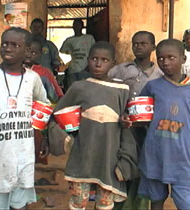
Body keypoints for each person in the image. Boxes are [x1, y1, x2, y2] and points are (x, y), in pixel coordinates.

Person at [52, 41, 138, 210]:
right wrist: (69, 138)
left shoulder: (122, 89)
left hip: (109, 156)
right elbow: (59, 114)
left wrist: (124, 121)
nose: (98, 63)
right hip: (83, 153)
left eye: (104, 60)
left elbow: (126, 117)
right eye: (94, 59)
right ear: (87, 60)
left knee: (105, 203)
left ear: (113, 63)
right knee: (78, 202)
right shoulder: (79, 87)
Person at [0, 27, 49, 210]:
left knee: (20, 204)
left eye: (15, 45)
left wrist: (43, 138)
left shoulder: (33, 79)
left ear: (27, 51)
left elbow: (42, 109)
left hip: (23, 156)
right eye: (4, 44)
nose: (8, 48)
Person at [109, 31, 163, 210]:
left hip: (151, 128)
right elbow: (110, 93)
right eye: (135, 44)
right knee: (125, 162)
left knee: (145, 164)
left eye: (143, 44)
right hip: (125, 126)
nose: (138, 47)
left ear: (153, 47)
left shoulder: (160, 73)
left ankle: (139, 203)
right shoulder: (121, 69)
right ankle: (120, 202)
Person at [138, 39, 190, 210]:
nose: (165, 62)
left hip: (183, 155)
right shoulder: (152, 86)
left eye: (171, 57)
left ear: (183, 59)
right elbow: (139, 116)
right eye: (161, 58)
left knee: (184, 200)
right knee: (156, 200)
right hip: (156, 152)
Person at [24, 35, 64, 103]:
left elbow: (58, 94)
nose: (29, 55)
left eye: (34, 53)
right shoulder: (15, 69)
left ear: (40, 55)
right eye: (27, 51)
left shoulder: (45, 72)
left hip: (41, 105)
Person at [60, 19, 95, 90]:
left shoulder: (89, 38)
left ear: (82, 26)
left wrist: (90, 65)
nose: (76, 27)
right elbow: (62, 51)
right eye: (75, 25)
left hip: (85, 69)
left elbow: (94, 52)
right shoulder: (69, 40)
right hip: (73, 69)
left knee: (86, 91)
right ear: (72, 27)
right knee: (73, 91)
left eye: (78, 25)